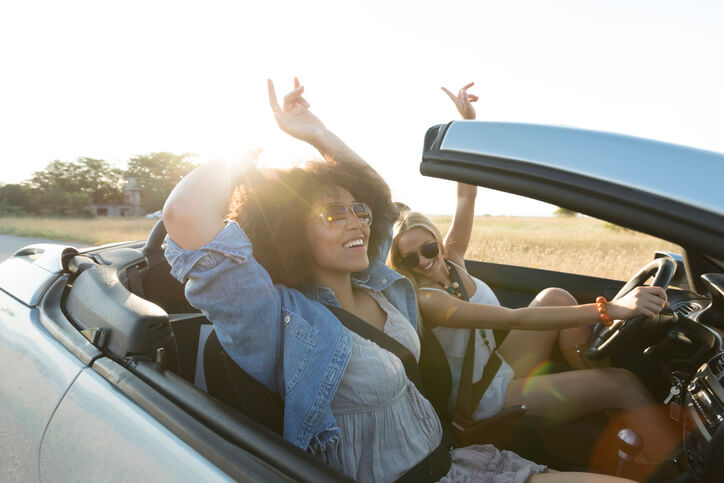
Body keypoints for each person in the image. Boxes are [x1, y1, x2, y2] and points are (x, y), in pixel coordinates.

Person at [163, 77, 637, 482]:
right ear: (289, 229)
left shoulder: (383, 288)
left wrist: (315, 132)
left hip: (456, 463)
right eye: (332, 213)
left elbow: (381, 196)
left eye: (358, 210)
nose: (357, 222)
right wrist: (245, 157)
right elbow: (184, 215)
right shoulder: (279, 320)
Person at [388, 83, 679, 465]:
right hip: (480, 397)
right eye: (410, 260)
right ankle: (671, 465)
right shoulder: (429, 300)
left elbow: (466, 196)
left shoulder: (452, 257)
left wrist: (468, 126)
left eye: (428, 249)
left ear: (437, 242)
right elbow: (516, 317)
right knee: (622, 382)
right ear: (402, 264)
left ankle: (590, 377)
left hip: (496, 367)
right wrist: (611, 309)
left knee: (556, 295)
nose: (424, 263)